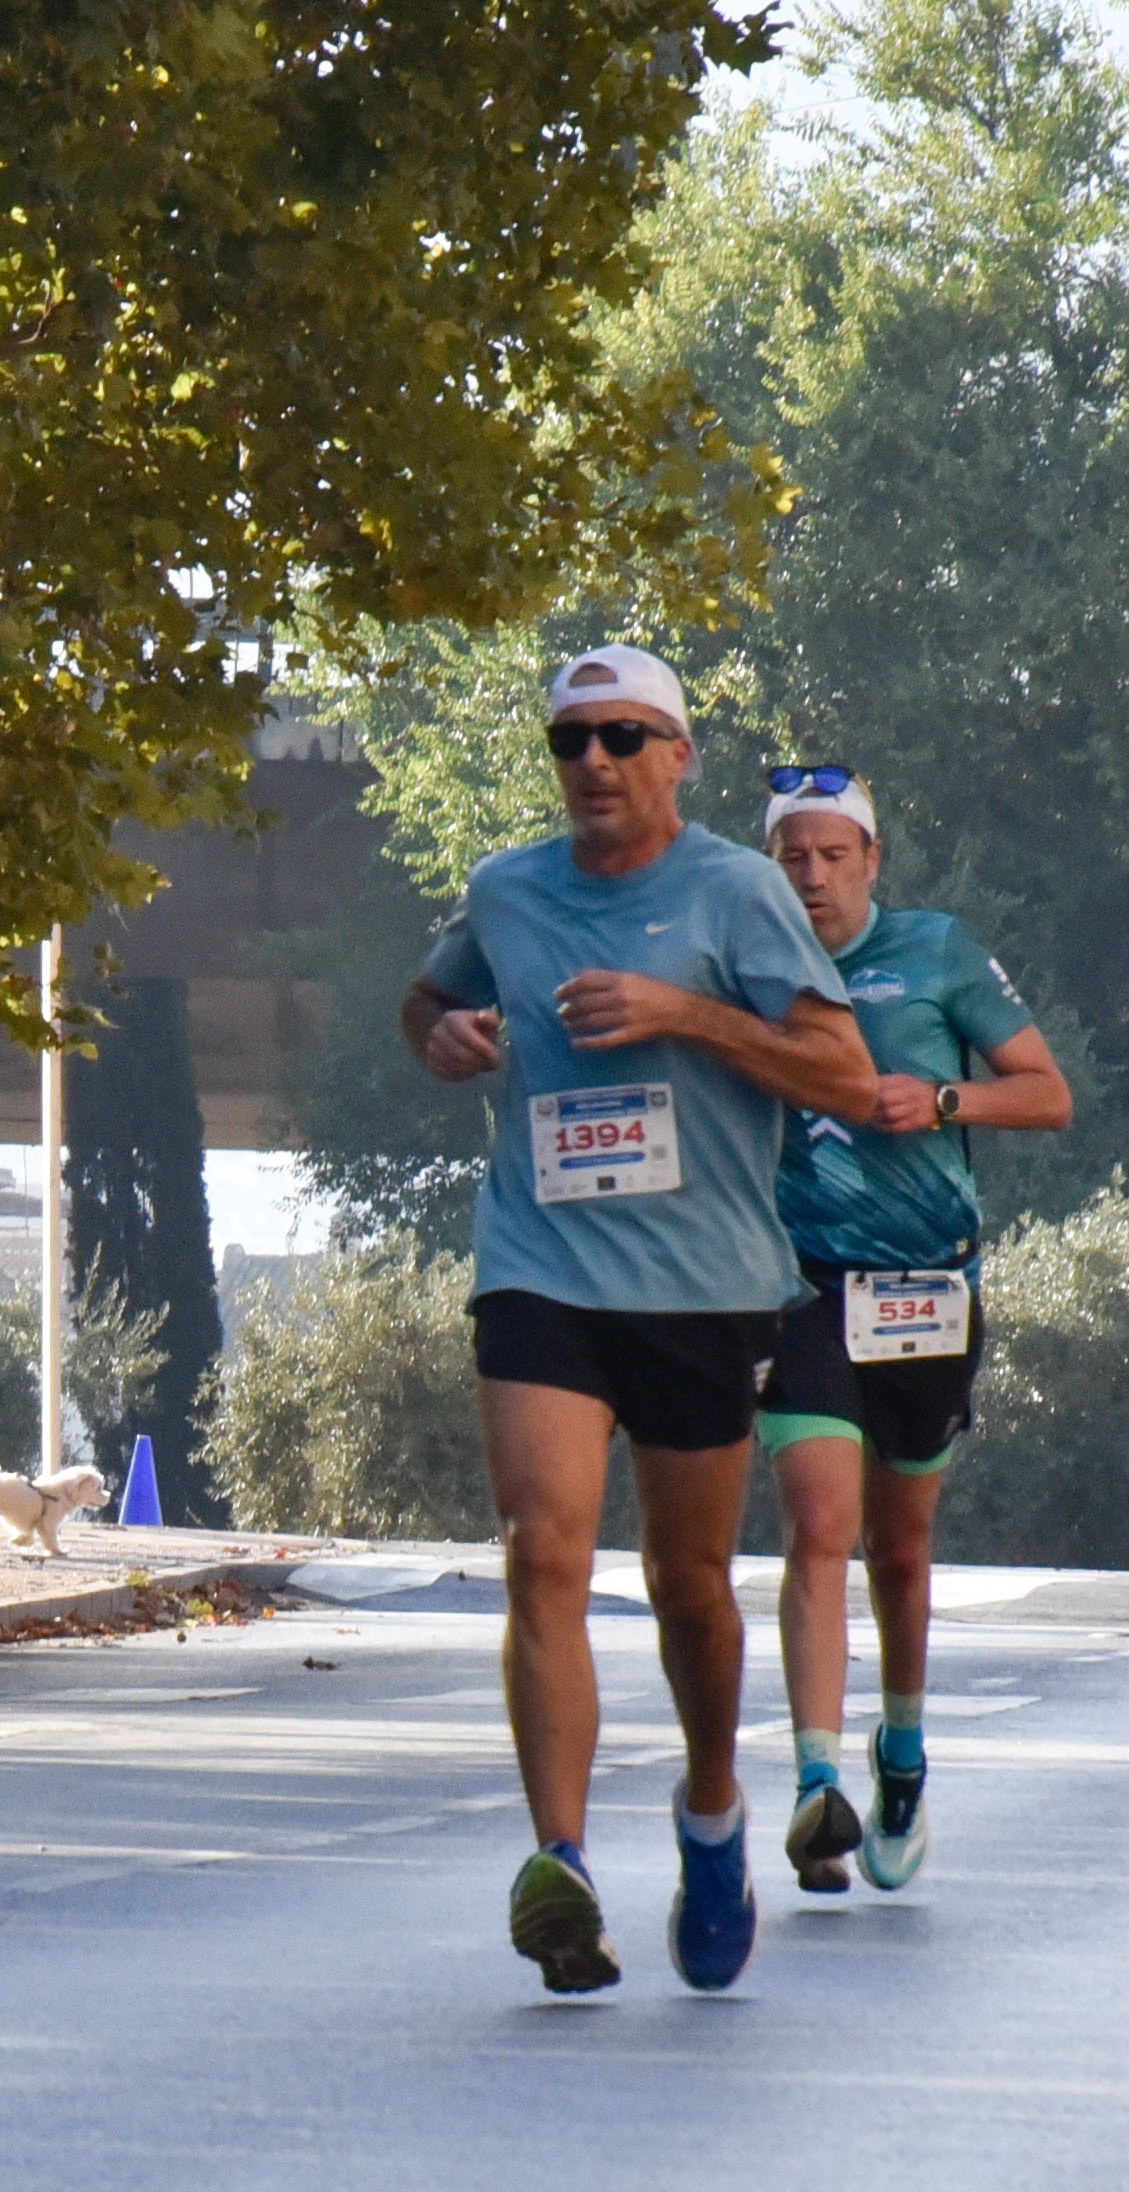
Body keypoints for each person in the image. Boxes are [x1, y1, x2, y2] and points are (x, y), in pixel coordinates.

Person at [404, 648, 876, 1997]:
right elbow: (429, 996)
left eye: (623, 737)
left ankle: (715, 1815)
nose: (594, 764)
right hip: (542, 1263)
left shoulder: (735, 889)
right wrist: (441, 1037)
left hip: (706, 1282)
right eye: (571, 742)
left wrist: (684, 1012)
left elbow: (841, 1070)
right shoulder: (506, 889)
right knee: (541, 1546)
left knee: (689, 1583)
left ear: (678, 754)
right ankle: (560, 1864)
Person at [751, 769, 1070, 1895]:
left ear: (872, 862)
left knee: (899, 1545)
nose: (815, 877)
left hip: (928, 1289)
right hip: (800, 1287)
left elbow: (1046, 1092)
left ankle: (901, 1747)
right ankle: (812, 1784)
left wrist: (939, 1101)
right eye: (794, 856)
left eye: (836, 856)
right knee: (819, 1525)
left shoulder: (935, 952)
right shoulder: (748, 967)